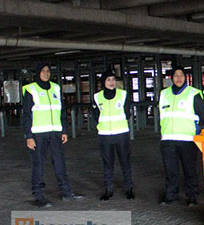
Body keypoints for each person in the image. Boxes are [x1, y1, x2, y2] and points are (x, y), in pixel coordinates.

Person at [22, 63, 84, 208]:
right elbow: (26, 115)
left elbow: (61, 111)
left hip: (55, 133)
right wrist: (29, 136)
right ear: (38, 73)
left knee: (60, 163)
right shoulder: (31, 90)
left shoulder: (56, 88)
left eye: (48, 71)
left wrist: (64, 131)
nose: (46, 73)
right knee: (39, 165)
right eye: (43, 71)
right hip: (38, 134)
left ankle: (66, 192)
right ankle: (38, 196)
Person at [159, 66, 204, 206]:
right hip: (168, 139)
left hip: (187, 139)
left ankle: (192, 197)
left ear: (186, 77)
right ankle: (170, 195)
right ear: (171, 78)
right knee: (170, 170)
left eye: (181, 75)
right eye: (175, 75)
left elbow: (202, 115)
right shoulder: (164, 94)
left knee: (190, 170)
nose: (178, 78)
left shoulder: (193, 93)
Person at [93, 68, 134, 201]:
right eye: (108, 80)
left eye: (113, 80)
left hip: (121, 134)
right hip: (104, 135)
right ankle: (108, 189)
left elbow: (127, 113)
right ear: (103, 82)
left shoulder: (123, 95)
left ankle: (129, 188)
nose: (111, 82)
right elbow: (95, 115)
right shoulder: (97, 97)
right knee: (107, 164)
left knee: (125, 162)